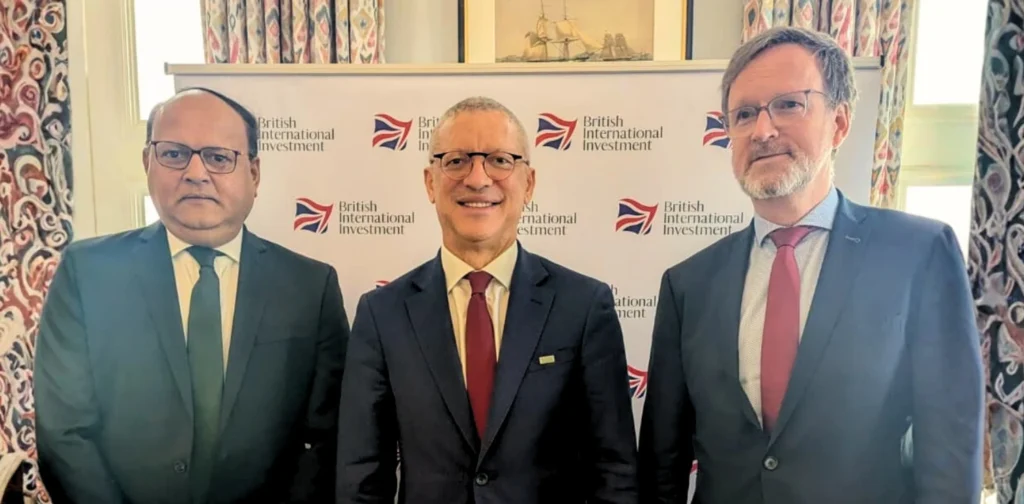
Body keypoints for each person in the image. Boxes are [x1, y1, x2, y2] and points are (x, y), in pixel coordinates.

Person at [637, 26, 983, 503]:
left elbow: (949, 444)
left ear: (839, 123)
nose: (762, 130)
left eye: (788, 105)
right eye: (743, 114)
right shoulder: (688, 284)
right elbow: (663, 462)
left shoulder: (917, 255)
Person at [34, 87, 350, 504]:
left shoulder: (310, 288)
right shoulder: (87, 273)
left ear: (254, 173)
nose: (196, 173)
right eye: (174, 154)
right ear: (148, 162)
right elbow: (63, 430)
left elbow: (325, 437)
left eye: (219, 158)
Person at [335, 96, 638, 504]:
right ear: (430, 182)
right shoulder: (382, 314)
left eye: (499, 160)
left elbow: (614, 470)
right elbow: (362, 476)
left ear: (528, 183)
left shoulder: (584, 306)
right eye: (456, 161)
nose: (478, 179)